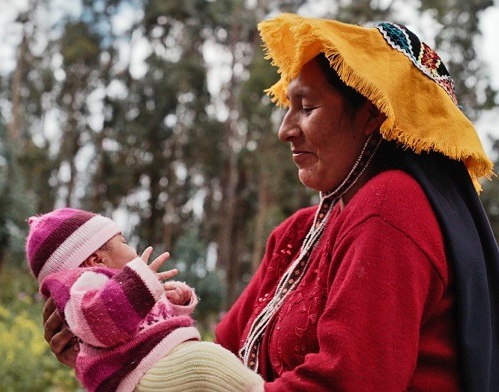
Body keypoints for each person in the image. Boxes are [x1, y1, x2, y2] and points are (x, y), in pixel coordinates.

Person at [43, 14, 499, 391]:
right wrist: (107, 349)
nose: (285, 129)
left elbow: (350, 383)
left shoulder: (391, 205)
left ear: (372, 114)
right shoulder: (299, 232)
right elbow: (225, 355)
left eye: (307, 107)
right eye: (287, 107)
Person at [27, 207, 264, 392]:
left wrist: (174, 302)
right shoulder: (89, 287)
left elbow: (149, 324)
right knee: (205, 363)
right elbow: (104, 322)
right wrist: (141, 286)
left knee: (210, 362)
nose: (132, 251)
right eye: (124, 242)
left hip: (155, 365)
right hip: (144, 372)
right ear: (97, 260)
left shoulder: (120, 292)